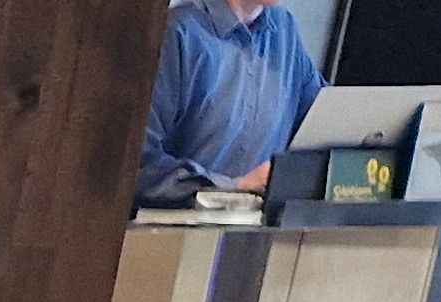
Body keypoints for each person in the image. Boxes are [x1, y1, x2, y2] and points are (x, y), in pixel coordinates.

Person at [139, 0, 328, 205]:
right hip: (172, 222)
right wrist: (233, 188)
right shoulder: (178, 31)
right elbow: (138, 166)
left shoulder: (284, 29)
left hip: (256, 222)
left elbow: (324, 121)